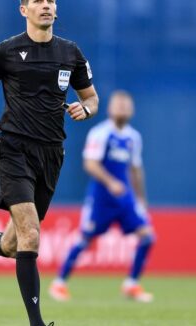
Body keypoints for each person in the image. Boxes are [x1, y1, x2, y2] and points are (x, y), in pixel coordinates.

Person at [0, 1, 99, 326]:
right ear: (23, 9)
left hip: (52, 154)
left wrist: (87, 109)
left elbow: (92, 97)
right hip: (13, 149)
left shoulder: (71, 53)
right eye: (38, 1)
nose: (46, 6)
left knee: (13, 244)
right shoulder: (5, 51)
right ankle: (36, 325)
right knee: (30, 233)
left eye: (51, 1)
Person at [49, 91, 155, 303]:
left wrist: (141, 199)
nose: (123, 108)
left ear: (132, 110)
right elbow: (90, 164)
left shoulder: (134, 137)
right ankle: (59, 283)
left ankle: (131, 284)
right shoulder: (101, 133)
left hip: (124, 199)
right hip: (101, 198)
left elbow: (135, 169)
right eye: (119, 105)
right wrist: (111, 182)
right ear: (110, 109)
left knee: (147, 236)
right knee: (85, 239)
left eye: (126, 105)